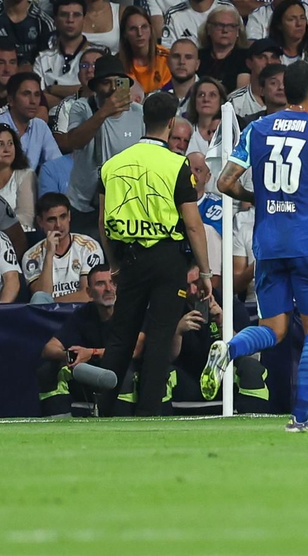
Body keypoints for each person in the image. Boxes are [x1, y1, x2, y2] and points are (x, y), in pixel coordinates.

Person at [204, 62, 308, 431]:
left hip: (269, 245)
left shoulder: (257, 128)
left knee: (273, 330)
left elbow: (226, 183)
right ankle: (300, 419)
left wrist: (256, 198)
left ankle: (229, 348)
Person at [95, 91, 210, 416]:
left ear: (143, 119)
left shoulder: (112, 165)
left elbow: (103, 221)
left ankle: (104, 411)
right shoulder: (177, 165)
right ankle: (148, 414)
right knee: (160, 337)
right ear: (171, 122)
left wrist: (114, 262)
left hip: (129, 257)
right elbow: (192, 225)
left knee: (121, 336)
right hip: (167, 258)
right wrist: (203, 272)